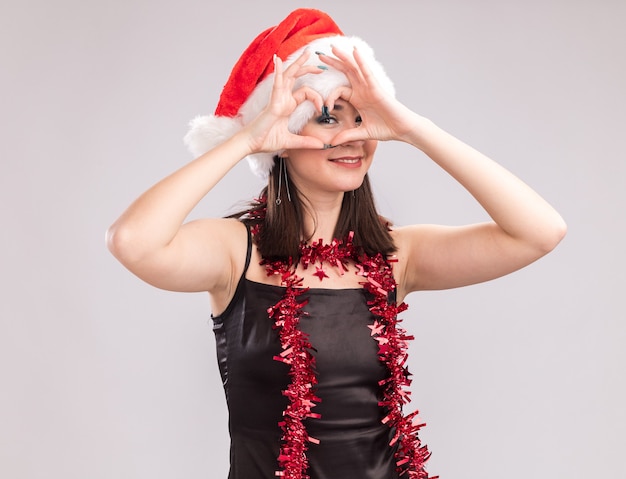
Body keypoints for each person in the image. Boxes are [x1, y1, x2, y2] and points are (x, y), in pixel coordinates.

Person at [106, 8, 566, 479]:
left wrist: (411, 128)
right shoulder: (234, 252)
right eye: (328, 117)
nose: (352, 138)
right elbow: (132, 241)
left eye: (362, 118)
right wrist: (247, 140)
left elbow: (540, 231)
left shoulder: (395, 257)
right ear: (282, 136)